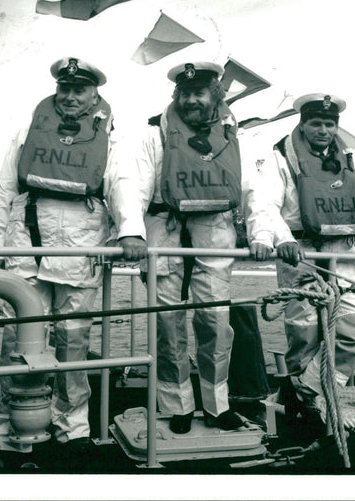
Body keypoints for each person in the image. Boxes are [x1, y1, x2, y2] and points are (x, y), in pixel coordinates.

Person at [0, 57, 131, 459]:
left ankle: (73, 427)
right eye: (64, 88)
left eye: (78, 90)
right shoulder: (27, 132)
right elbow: (2, 190)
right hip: (25, 242)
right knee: (18, 339)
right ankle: (9, 431)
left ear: (94, 94)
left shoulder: (112, 139)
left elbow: (122, 184)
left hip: (80, 245)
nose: (69, 97)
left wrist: (130, 230)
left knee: (74, 340)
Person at [245, 93, 355, 420]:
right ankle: (310, 408)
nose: (324, 130)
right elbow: (266, 205)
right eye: (317, 123)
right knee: (306, 336)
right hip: (302, 254)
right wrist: (281, 239)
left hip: (343, 255)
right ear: (303, 123)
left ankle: (302, 390)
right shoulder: (280, 159)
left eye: (330, 124)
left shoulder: (346, 160)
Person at [117, 61, 245, 434]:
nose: (191, 100)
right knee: (167, 326)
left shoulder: (234, 135)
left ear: (215, 96)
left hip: (215, 233)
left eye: (199, 93)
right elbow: (132, 180)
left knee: (216, 324)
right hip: (163, 232)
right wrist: (130, 230)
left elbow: (252, 187)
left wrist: (271, 235)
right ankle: (177, 405)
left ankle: (217, 406)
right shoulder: (153, 133)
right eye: (185, 94)